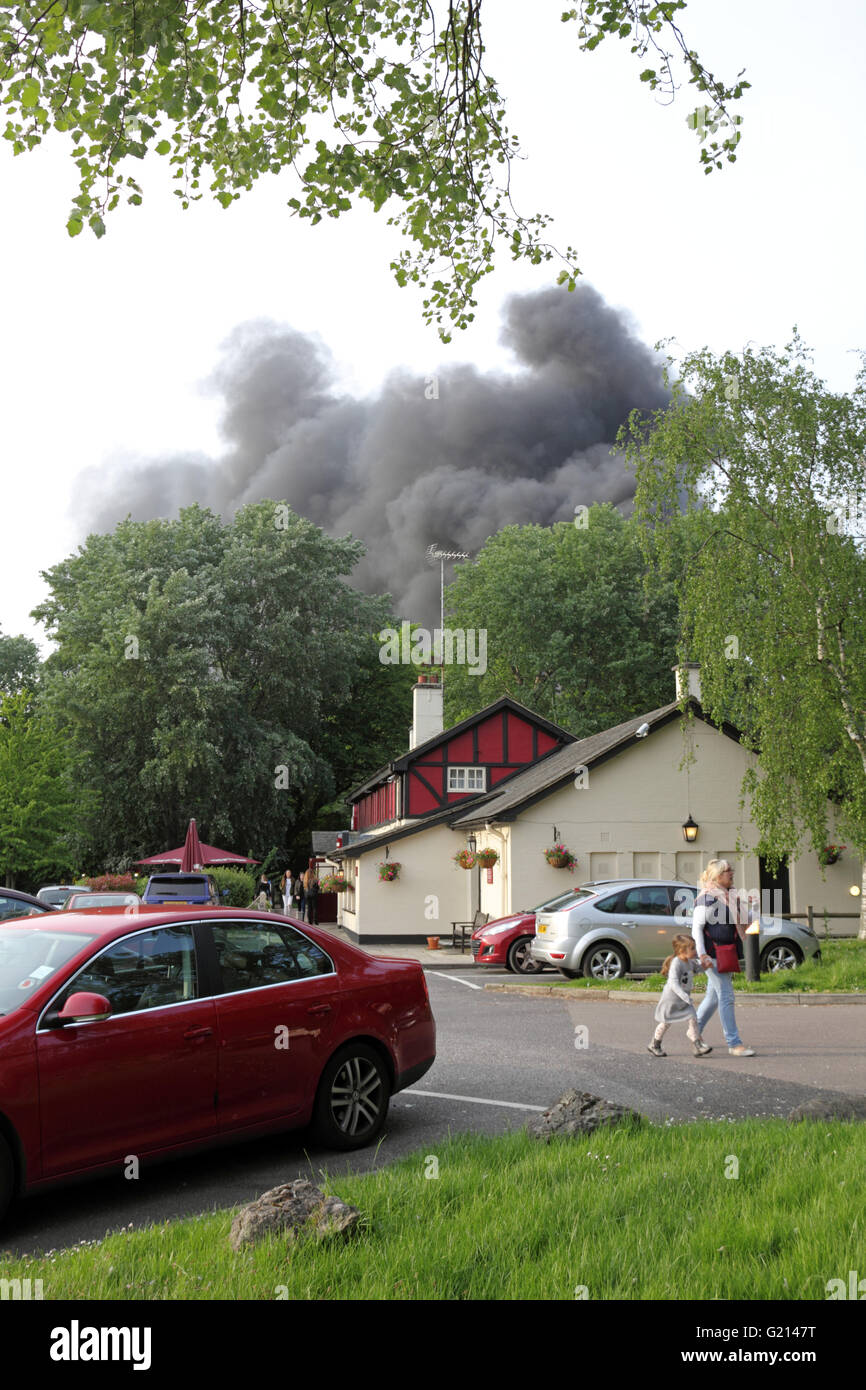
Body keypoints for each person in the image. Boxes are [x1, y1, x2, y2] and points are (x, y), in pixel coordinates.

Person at [692, 859, 756, 1057]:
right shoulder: (708, 898)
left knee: (713, 998)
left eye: (731, 870)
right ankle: (734, 1043)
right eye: (727, 871)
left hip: (726, 952)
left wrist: (755, 906)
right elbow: (696, 929)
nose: (732, 873)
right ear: (717, 876)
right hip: (713, 955)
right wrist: (702, 954)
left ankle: (695, 1032)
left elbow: (749, 922)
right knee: (726, 997)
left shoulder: (731, 897)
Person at [647, 934, 712, 1058]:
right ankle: (654, 1044)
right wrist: (684, 996)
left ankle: (697, 1045)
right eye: (692, 948)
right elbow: (673, 983)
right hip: (671, 1000)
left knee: (693, 1018)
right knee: (666, 1023)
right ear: (682, 950)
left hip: (684, 999)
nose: (695, 951)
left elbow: (697, 969)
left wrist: (705, 966)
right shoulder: (676, 963)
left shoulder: (689, 961)